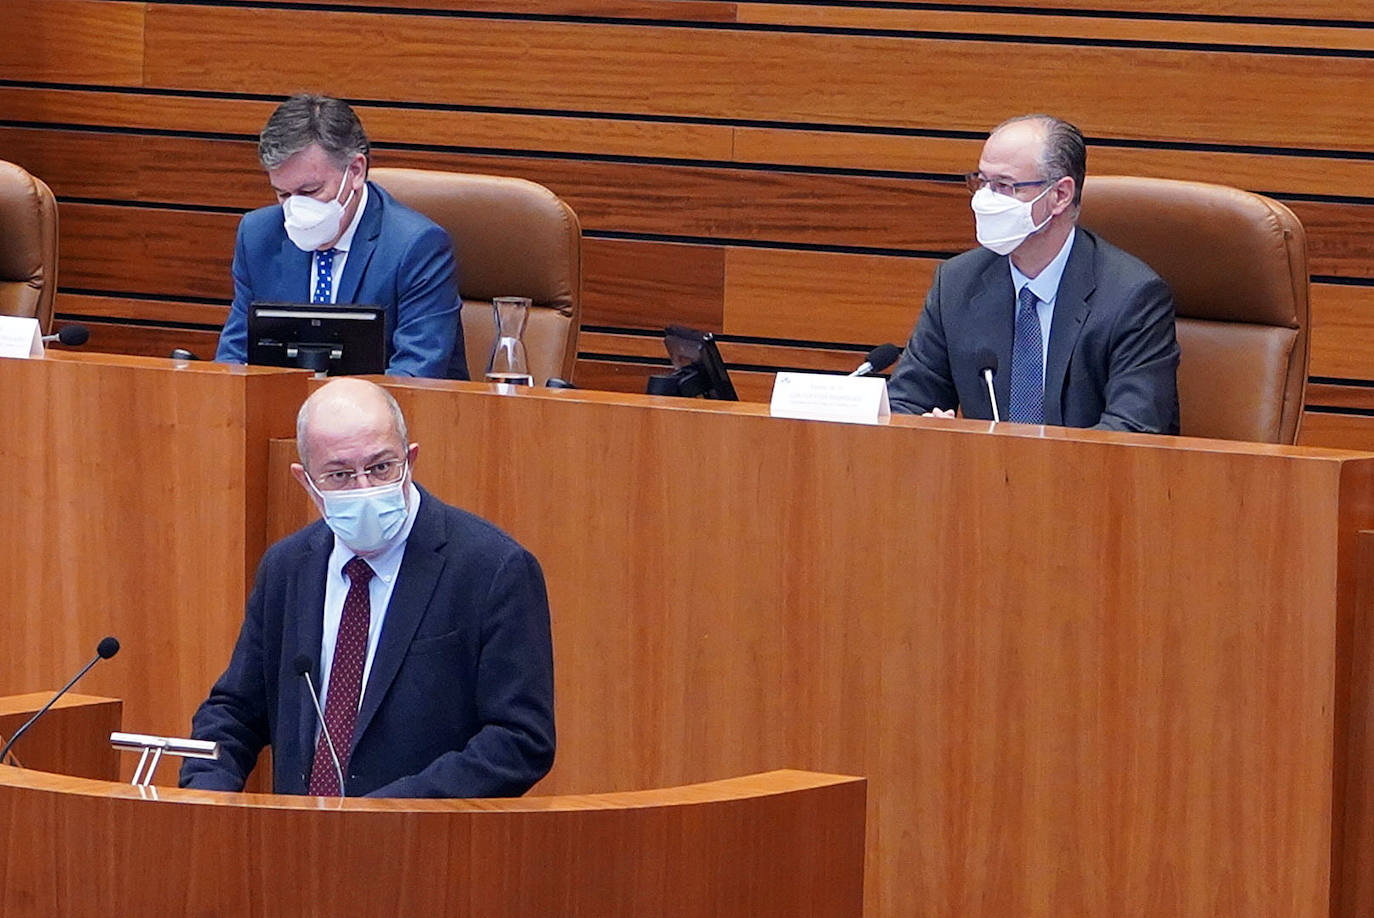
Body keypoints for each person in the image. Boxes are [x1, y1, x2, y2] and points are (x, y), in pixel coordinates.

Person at [180, 378, 554, 797]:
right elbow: (234, 710)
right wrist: (207, 794)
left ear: (410, 460)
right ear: (307, 483)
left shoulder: (492, 569)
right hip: (298, 844)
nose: (365, 488)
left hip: (425, 847)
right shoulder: (288, 566)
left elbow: (519, 740)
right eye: (340, 475)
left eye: (380, 467)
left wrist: (381, 815)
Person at [886, 114, 1180, 433]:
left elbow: (1133, 430)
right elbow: (906, 403)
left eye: (1004, 186)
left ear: (1059, 195)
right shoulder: (957, 284)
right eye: (981, 182)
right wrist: (927, 431)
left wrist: (1029, 468)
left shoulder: (1131, 297)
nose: (984, 200)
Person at [214, 94, 467, 379]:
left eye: (310, 192)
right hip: (284, 415)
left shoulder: (417, 247)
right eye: (283, 194)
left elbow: (415, 375)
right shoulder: (258, 236)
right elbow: (234, 362)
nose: (296, 208)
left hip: (389, 418)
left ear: (356, 171)